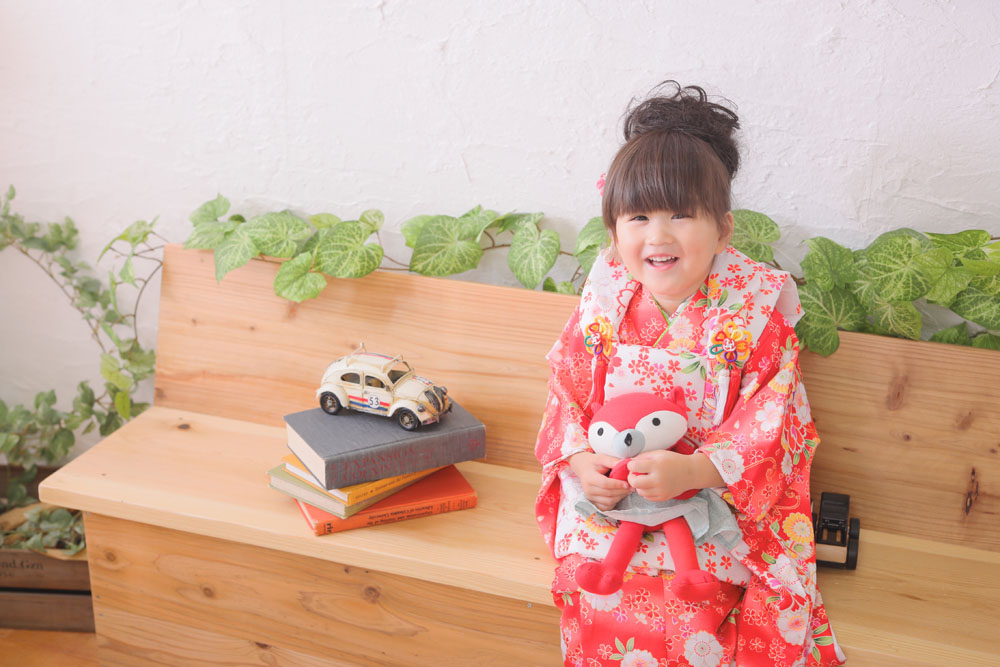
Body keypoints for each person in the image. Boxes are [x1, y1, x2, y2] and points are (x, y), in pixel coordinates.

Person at [533, 82, 847, 667]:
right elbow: (566, 393)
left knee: (697, 614)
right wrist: (581, 463)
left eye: (680, 214)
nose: (658, 236)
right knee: (593, 588)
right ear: (614, 232)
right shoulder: (604, 300)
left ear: (723, 229)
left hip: (714, 501)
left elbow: (773, 422)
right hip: (616, 497)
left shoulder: (755, 311)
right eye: (638, 217)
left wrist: (695, 470)